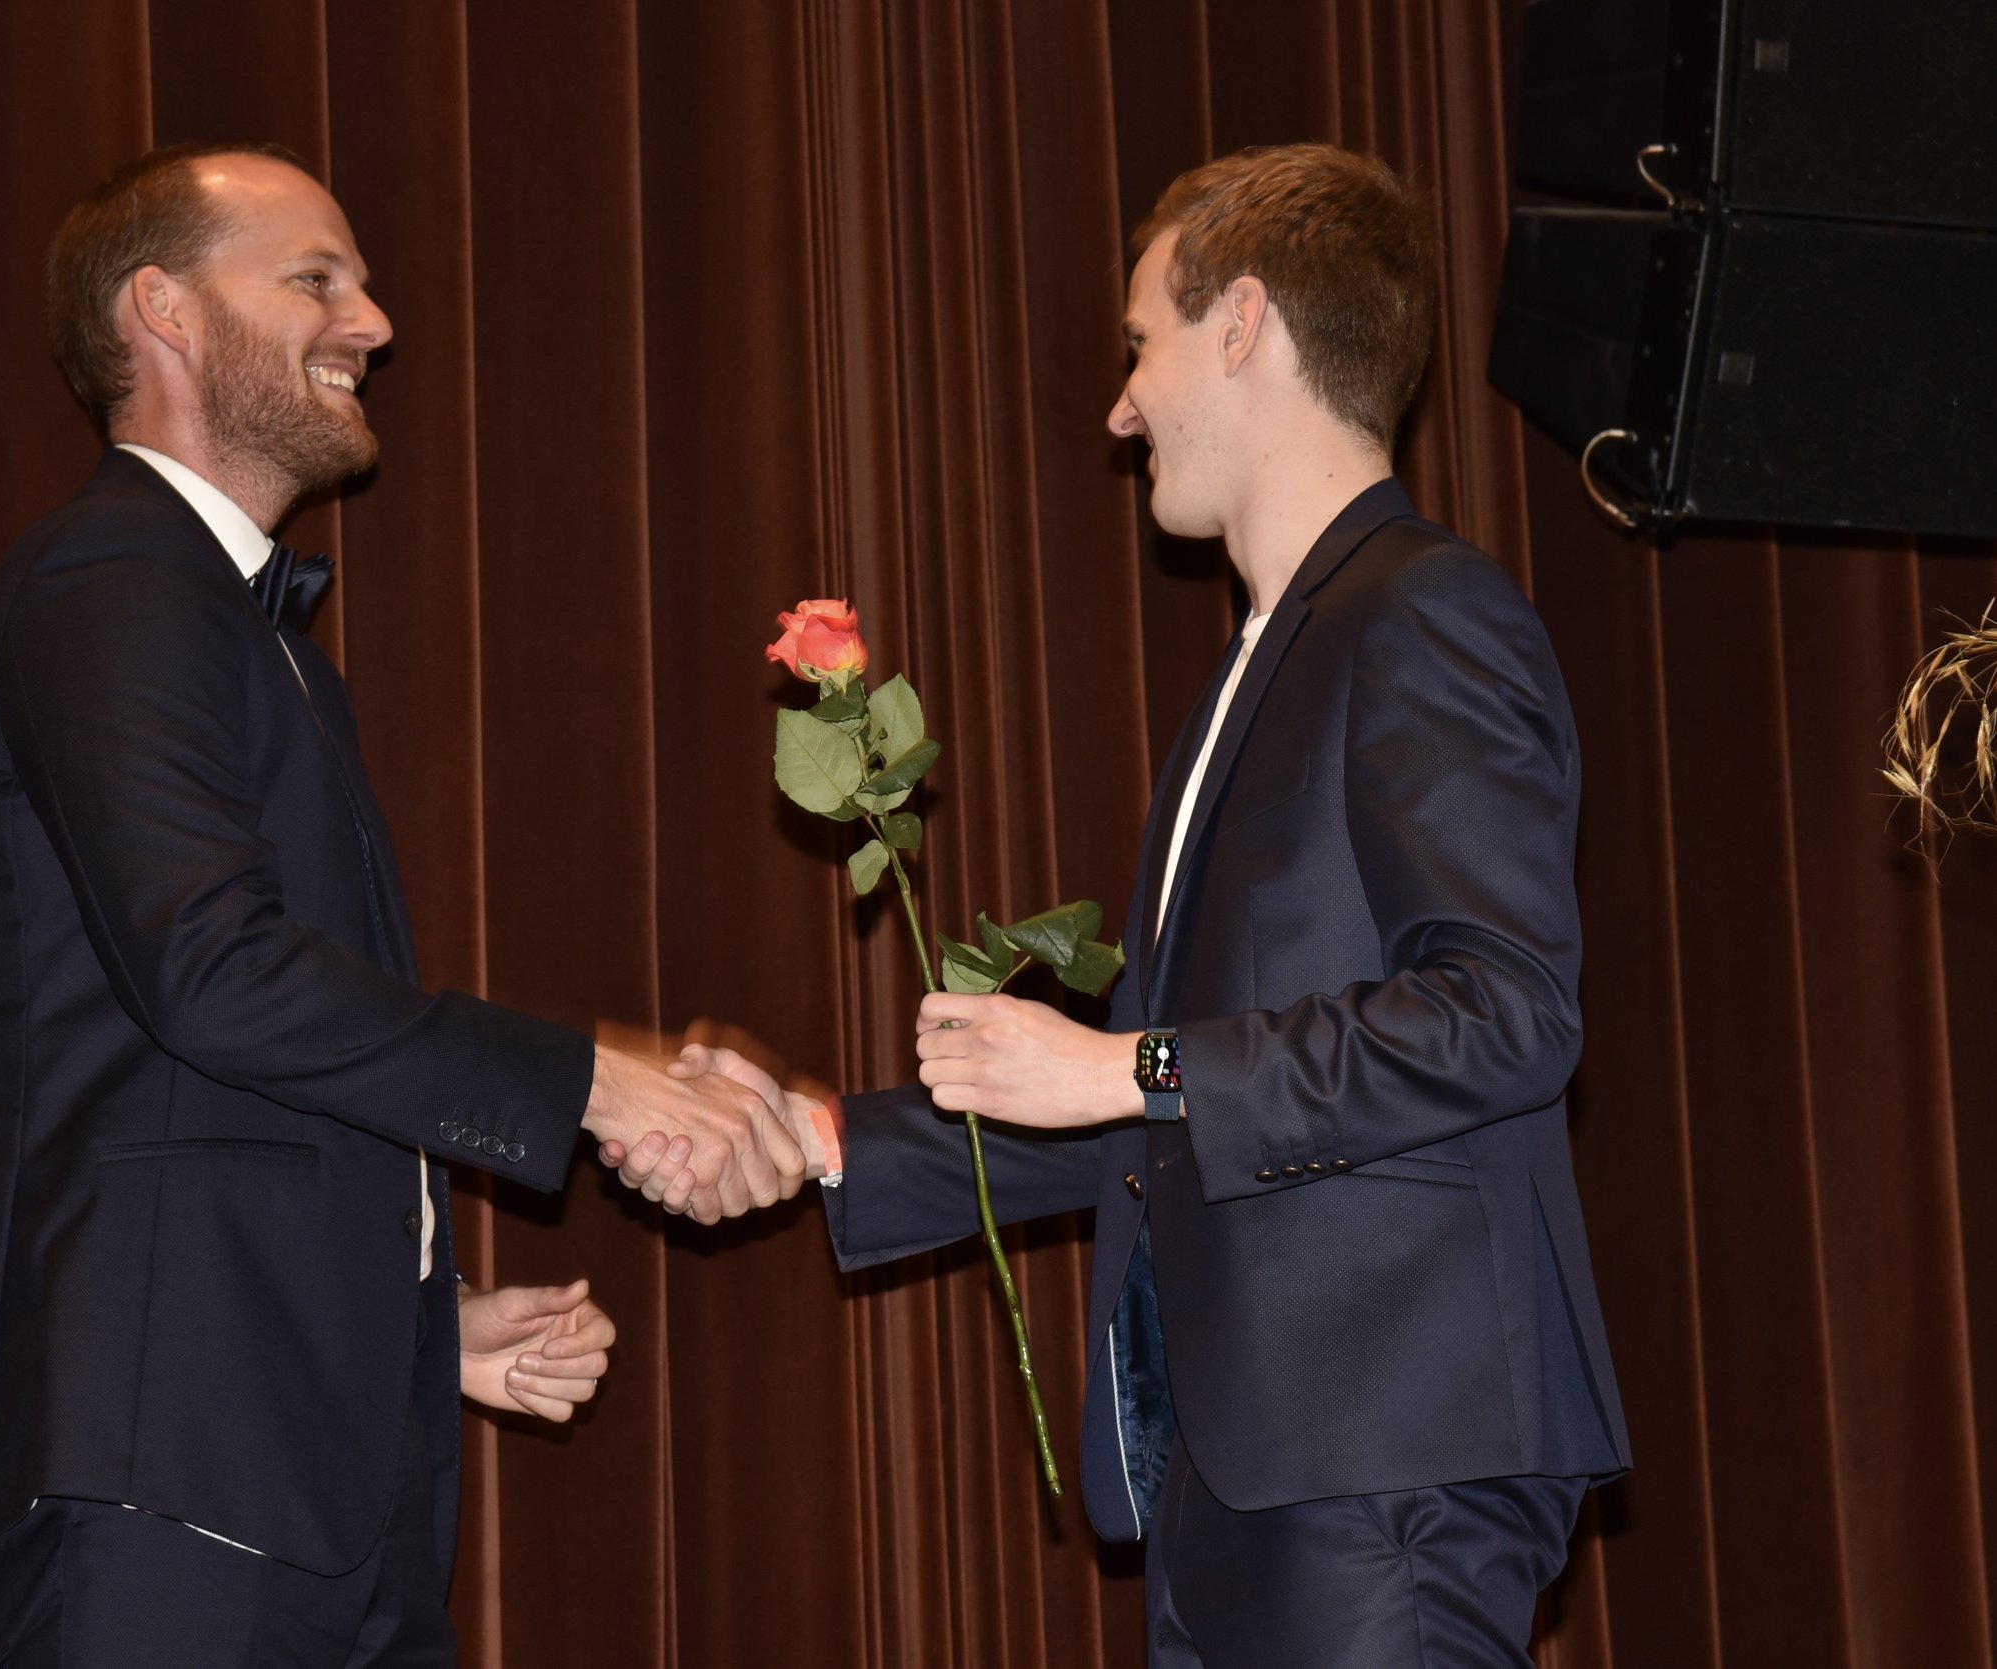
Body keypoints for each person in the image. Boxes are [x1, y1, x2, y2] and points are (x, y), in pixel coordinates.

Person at [625, 143, 1630, 1666]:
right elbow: (1170, 1105)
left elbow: (1505, 1011)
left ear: (1243, 322)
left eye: (1137, 343)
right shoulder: (1258, 664)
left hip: (1379, 1462)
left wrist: (1121, 1062)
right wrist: (827, 1140)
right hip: (1230, 1477)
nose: (1118, 404)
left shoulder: (1423, 611)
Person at [0, 141, 805, 1668]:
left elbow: (226, 1065)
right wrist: (597, 1075)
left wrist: (419, 1320)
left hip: (294, 1472)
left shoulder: (241, 628)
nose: (375, 320)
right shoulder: (114, 584)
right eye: (315, 281)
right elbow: (213, 975)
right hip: (170, 1485)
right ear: (166, 313)